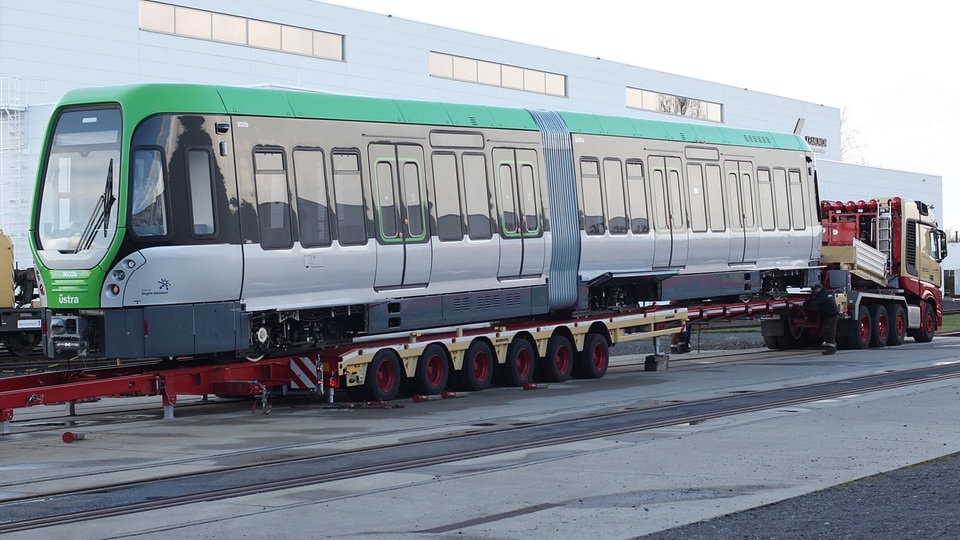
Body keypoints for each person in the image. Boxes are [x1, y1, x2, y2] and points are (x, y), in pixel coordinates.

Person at [804, 283, 840, 355]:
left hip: (831, 316)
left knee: (827, 331)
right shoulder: (826, 293)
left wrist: (805, 303)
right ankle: (832, 347)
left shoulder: (822, 295)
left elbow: (814, 302)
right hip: (831, 315)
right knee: (829, 331)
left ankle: (831, 348)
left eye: (815, 289)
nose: (814, 291)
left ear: (819, 289)